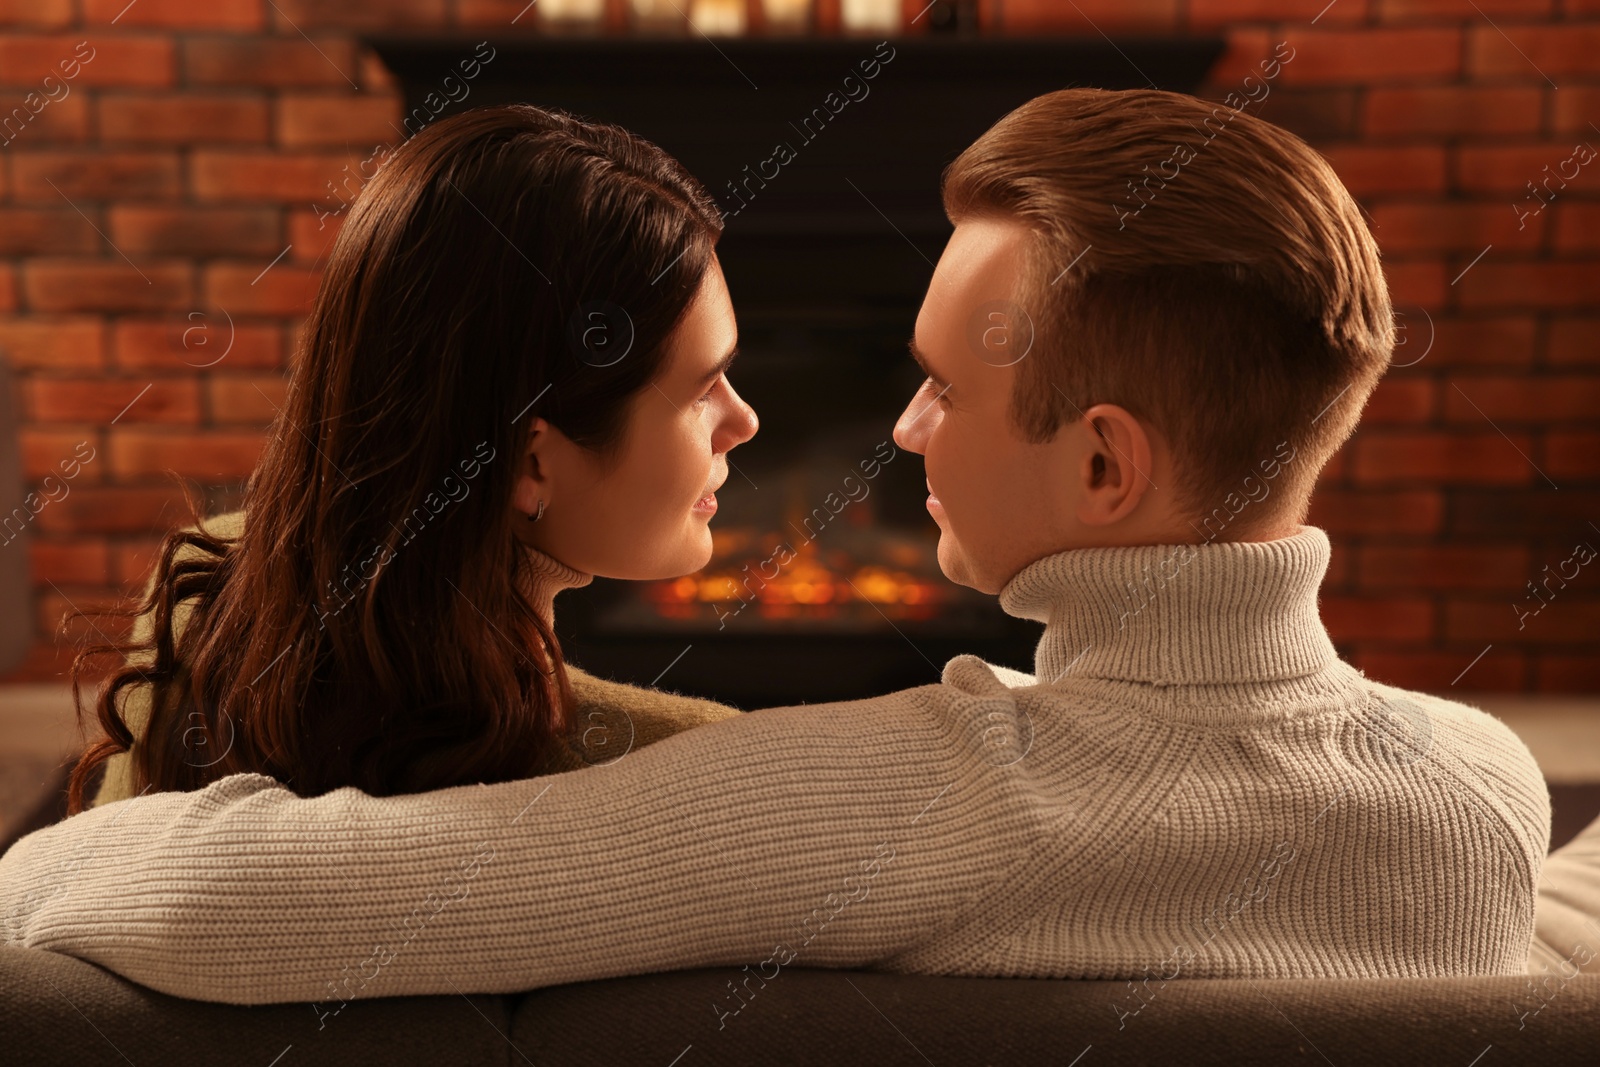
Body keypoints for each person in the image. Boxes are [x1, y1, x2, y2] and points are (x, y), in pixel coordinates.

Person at [0, 88, 1551, 1009]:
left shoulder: (895, 800)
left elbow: (255, 896)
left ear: (1101, 462)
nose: (910, 425)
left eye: (949, 382)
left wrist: (33, 868)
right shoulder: (1486, 795)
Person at [71, 102, 758, 814]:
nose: (743, 419)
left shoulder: (195, 603)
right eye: (704, 388)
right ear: (533, 466)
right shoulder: (680, 767)